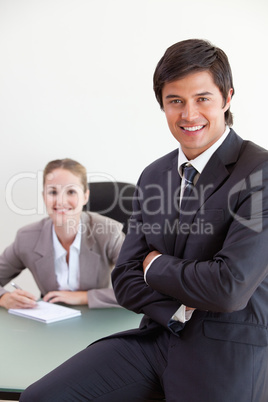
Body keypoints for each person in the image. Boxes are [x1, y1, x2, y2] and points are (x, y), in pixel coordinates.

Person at [20, 39, 268, 402]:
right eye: (175, 101)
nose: (189, 114)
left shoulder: (258, 172)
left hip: (225, 352)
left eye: (203, 99)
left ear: (227, 98)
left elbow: (228, 286)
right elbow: (124, 277)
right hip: (158, 335)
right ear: (163, 105)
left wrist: (155, 266)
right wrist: (178, 308)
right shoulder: (155, 175)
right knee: (41, 398)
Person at [0, 158, 125, 310]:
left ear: (85, 196)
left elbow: (140, 287)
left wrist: (85, 297)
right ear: (43, 196)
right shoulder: (27, 238)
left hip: (98, 320)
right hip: (50, 323)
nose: (60, 201)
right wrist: (4, 297)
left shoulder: (109, 232)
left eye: (71, 191)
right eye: (53, 192)